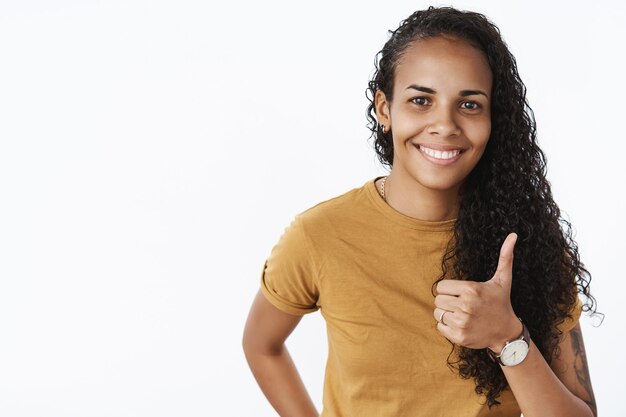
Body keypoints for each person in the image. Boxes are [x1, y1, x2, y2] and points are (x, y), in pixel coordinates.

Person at [242, 6, 599, 417]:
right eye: (420, 100)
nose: (444, 124)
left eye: (469, 105)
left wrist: (507, 336)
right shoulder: (320, 235)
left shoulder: (531, 245)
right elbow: (261, 345)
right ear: (384, 109)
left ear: (492, 119)